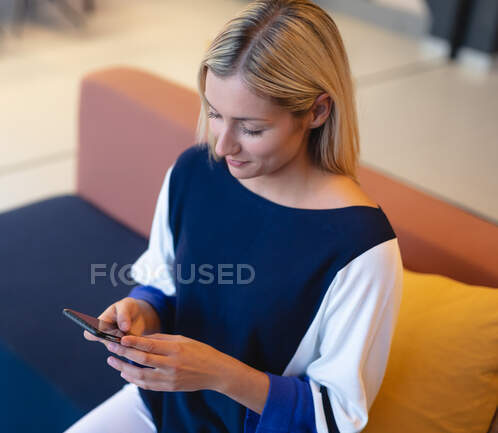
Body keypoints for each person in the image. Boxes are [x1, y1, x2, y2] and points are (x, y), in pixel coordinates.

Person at [65, 0, 403, 432]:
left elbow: (336, 416)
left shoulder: (361, 247)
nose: (223, 146)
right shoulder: (194, 172)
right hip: (159, 407)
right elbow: (165, 283)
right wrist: (142, 312)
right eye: (214, 113)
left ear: (317, 111)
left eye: (251, 128)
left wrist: (219, 374)